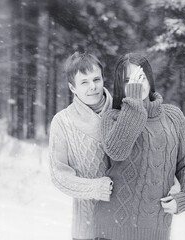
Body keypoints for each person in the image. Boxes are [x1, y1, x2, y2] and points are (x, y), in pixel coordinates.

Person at [95, 53, 185, 240]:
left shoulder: (173, 116)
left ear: (150, 79)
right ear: (120, 85)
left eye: (141, 77)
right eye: (129, 80)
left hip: (156, 229)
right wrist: (134, 103)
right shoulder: (112, 117)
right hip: (111, 229)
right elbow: (117, 151)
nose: (137, 84)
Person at [49, 52, 113, 240]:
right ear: (72, 87)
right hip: (87, 228)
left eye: (96, 79)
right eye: (84, 82)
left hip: (127, 225)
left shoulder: (123, 111)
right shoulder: (63, 121)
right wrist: (95, 188)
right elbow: (59, 176)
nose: (93, 87)